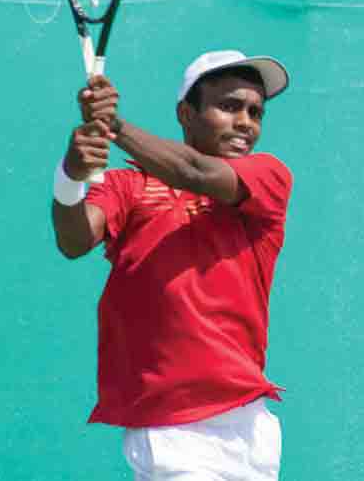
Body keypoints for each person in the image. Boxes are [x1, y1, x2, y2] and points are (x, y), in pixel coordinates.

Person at [50, 50, 293, 480]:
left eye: (255, 112)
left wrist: (114, 127)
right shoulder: (128, 186)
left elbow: (193, 171)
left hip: (250, 430)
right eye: (229, 106)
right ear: (186, 113)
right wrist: (69, 176)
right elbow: (74, 240)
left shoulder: (268, 177)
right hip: (173, 433)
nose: (246, 123)